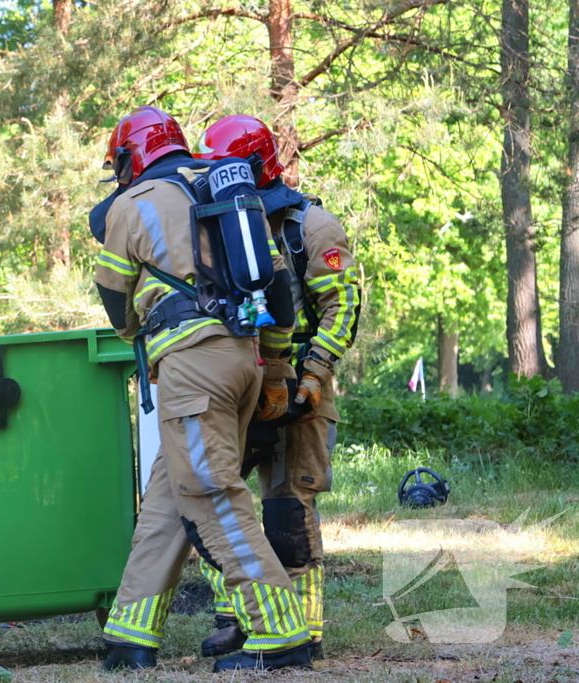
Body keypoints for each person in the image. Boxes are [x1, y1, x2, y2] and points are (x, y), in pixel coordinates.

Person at [92, 105, 313, 673]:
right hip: (243, 359)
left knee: (213, 497)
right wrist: (275, 366)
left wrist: (141, 327)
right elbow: (279, 290)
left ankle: (280, 631)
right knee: (172, 494)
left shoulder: (131, 204)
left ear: (131, 156)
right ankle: (130, 633)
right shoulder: (226, 186)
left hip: (190, 368)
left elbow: (116, 302)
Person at [193, 114, 361, 662]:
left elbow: (341, 308)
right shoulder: (212, 225)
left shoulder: (310, 226)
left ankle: (303, 629)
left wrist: (311, 378)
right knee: (222, 503)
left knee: (288, 510)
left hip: (299, 391)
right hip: (237, 385)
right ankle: (240, 619)